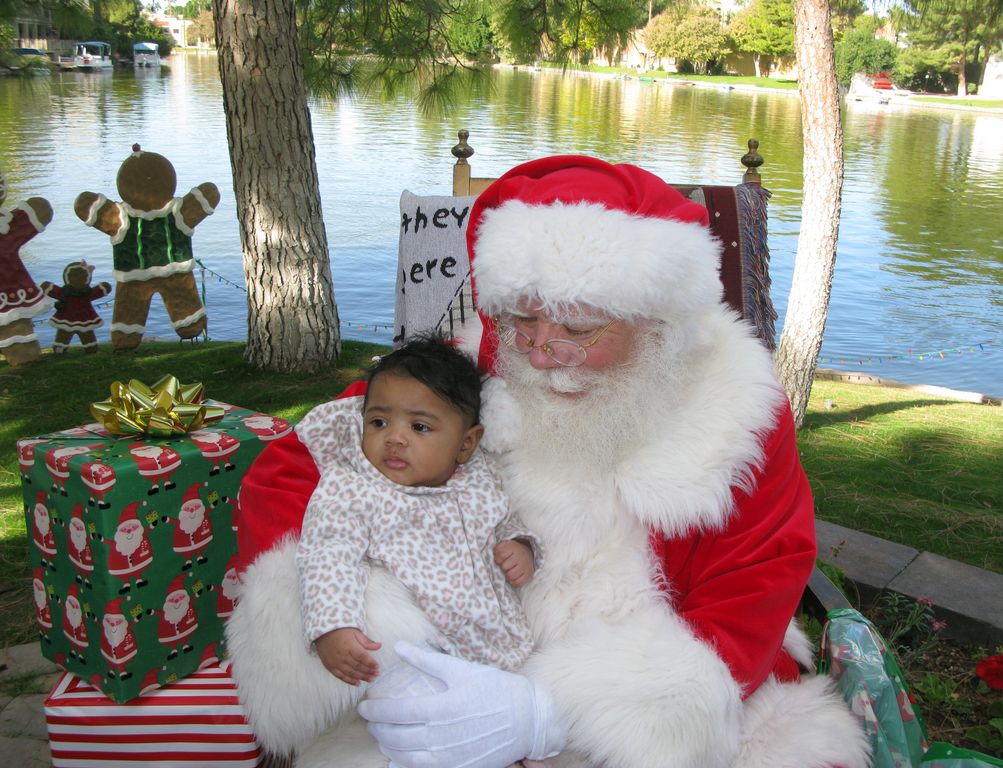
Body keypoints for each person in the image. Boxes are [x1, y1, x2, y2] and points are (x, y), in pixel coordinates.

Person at [227, 156, 869, 768]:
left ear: (656, 324)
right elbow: (289, 472)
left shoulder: (738, 408)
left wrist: (552, 712)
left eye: (580, 330)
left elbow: (754, 578)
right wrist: (389, 651)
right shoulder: (467, 371)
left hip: (647, 666)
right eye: (522, 321)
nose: (539, 354)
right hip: (463, 653)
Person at [295, 336, 537, 695]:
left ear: (466, 444)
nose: (394, 438)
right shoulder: (353, 487)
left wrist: (520, 546)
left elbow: (507, 516)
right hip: (425, 653)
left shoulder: (479, 476)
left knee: (527, 701)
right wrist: (334, 626)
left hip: (500, 641)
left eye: (419, 427)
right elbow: (328, 553)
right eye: (378, 422)